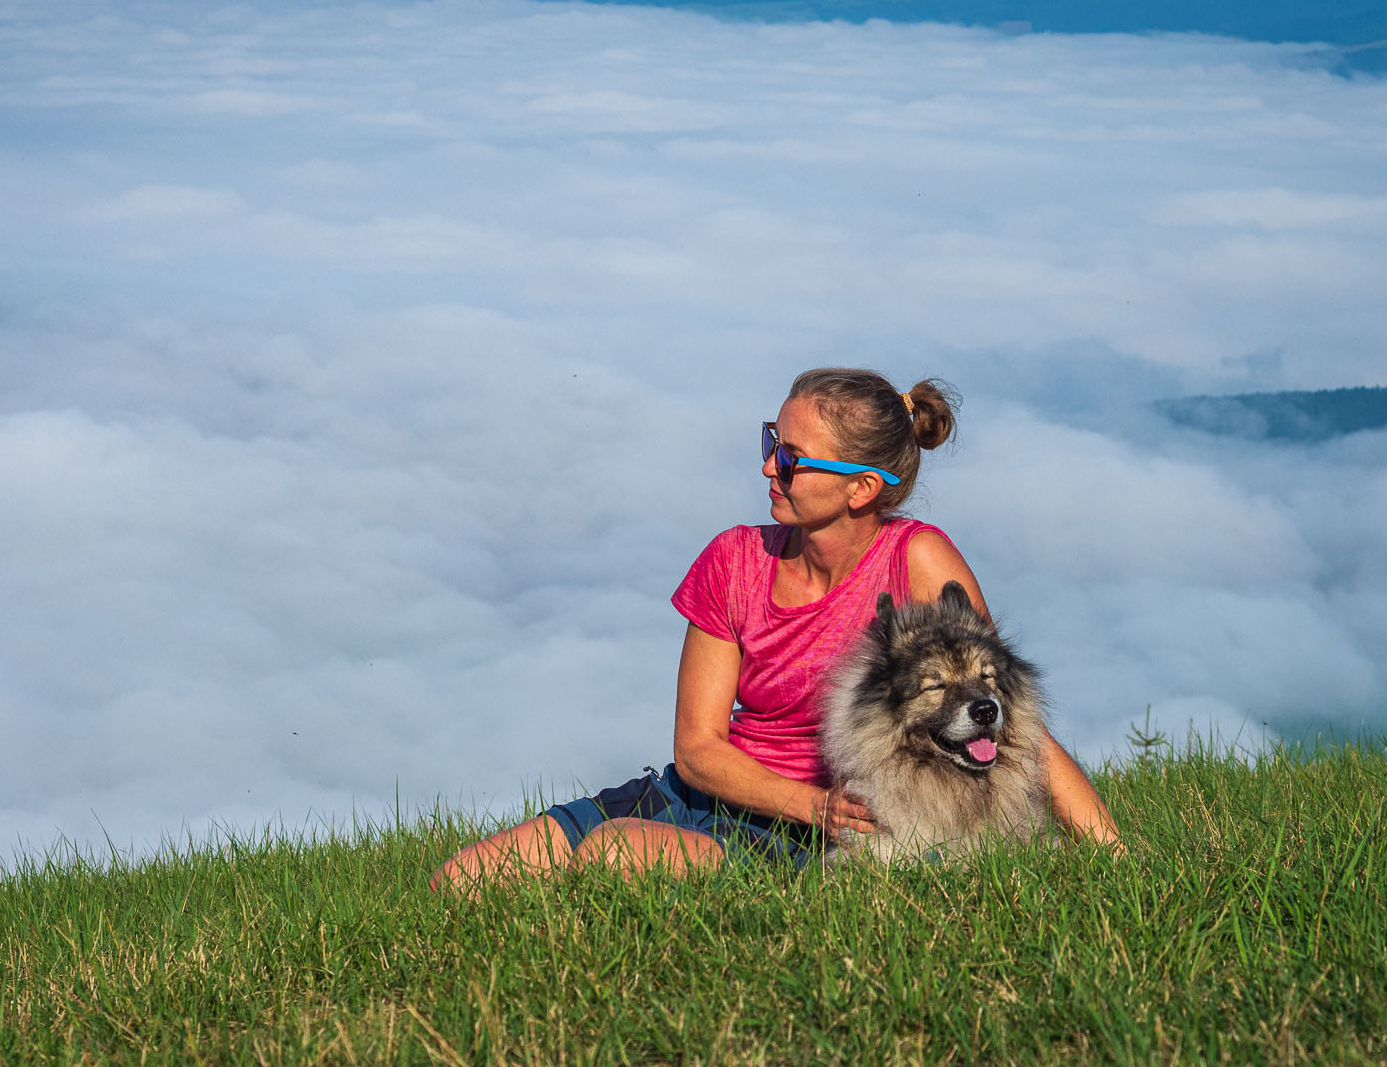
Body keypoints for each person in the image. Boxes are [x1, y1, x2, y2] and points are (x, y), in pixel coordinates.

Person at [432, 368, 1118, 893]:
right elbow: (698, 748)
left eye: (791, 457)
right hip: (707, 796)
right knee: (458, 886)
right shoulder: (732, 560)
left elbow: (998, 713)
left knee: (614, 855)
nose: (769, 468)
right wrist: (809, 802)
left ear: (861, 489)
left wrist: (1113, 861)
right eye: (771, 443)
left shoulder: (917, 559)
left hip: (811, 835)